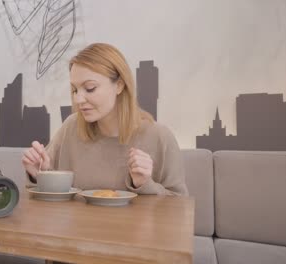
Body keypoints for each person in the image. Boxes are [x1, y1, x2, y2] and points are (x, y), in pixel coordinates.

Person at [22, 43, 188, 196]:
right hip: (78, 228)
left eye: (90, 88)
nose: (79, 99)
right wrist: (39, 175)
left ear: (119, 85)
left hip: (133, 229)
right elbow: (49, 199)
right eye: (74, 90)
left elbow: (179, 206)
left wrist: (145, 184)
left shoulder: (159, 137)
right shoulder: (71, 127)